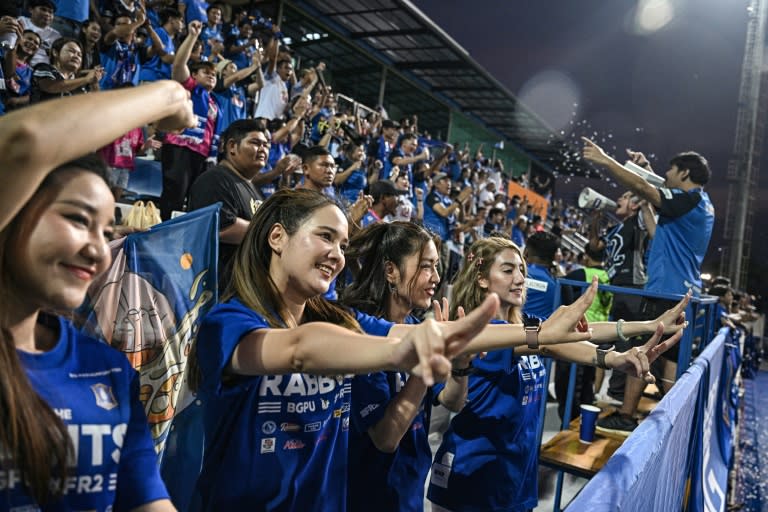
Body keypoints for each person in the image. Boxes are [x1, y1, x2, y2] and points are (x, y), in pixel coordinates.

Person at [191, 188, 501, 511]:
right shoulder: (226, 323)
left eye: (343, 245)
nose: (338, 255)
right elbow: (299, 349)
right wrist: (400, 353)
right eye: (326, 236)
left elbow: (421, 332)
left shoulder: (343, 318)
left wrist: (539, 335)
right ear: (277, 237)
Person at [0, 80, 195, 510]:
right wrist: (169, 95)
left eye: (107, 233)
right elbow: (23, 141)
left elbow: (146, 498)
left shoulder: (106, 368)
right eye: (77, 219)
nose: (97, 250)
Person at [427, 236, 690, 512]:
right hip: (473, 479)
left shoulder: (524, 326)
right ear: (481, 279)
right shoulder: (481, 332)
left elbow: (580, 337)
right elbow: (547, 340)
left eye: (521, 270)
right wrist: (606, 349)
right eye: (508, 270)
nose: (519, 278)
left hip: (514, 477)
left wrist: (644, 331)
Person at [583, 138, 715, 383]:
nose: (666, 174)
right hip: (680, 287)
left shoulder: (688, 201)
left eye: (670, 170)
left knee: (643, 351)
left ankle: (626, 415)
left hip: (666, 289)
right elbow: (662, 196)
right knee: (668, 356)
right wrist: (644, 168)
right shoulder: (699, 205)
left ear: (684, 173)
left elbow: (648, 190)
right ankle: (669, 413)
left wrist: (605, 160)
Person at [188, 119, 301, 291]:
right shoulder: (216, 179)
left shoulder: (251, 186)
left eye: (266, 145)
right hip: (216, 290)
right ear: (232, 146)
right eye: (255, 143)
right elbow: (223, 228)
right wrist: (274, 234)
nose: (263, 149)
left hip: (243, 288)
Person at [160, 19, 219, 219]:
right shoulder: (191, 88)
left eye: (214, 75)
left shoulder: (214, 102)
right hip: (180, 148)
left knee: (193, 202)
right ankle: (161, 235)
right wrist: (193, 36)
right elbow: (178, 64)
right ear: (194, 74)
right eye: (206, 73)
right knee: (174, 197)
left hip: (201, 155)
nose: (212, 76)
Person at [31, 36, 104, 102]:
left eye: (80, 55)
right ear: (55, 53)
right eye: (71, 51)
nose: (76, 56)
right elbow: (51, 86)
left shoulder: (79, 86)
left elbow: (94, 105)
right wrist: (86, 79)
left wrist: (94, 83)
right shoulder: (43, 68)